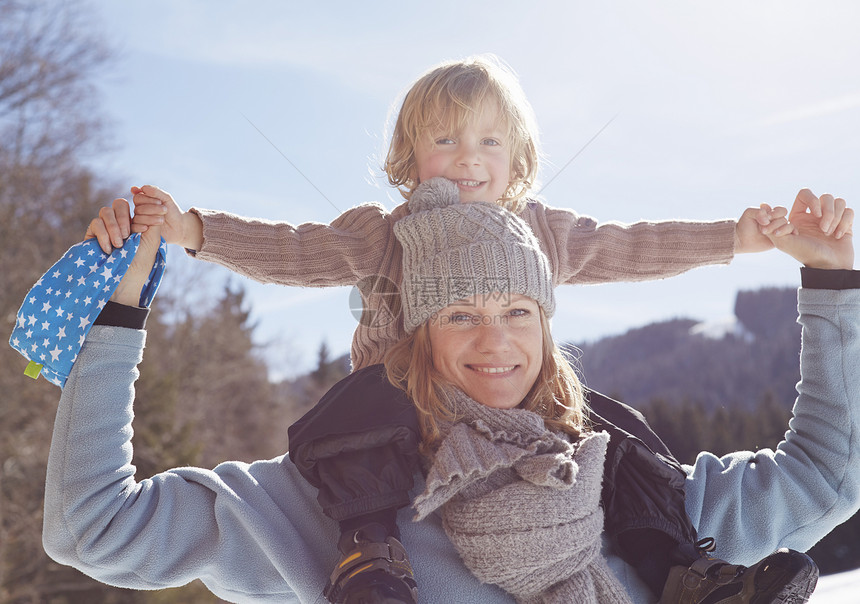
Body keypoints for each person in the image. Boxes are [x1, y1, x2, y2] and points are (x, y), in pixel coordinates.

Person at [88, 55, 850, 602]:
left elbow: (634, 244)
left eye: (489, 142)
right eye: (445, 142)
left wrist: (735, 239)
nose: (469, 159)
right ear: (408, 162)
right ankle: (369, 553)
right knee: (356, 421)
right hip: (397, 404)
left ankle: (683, 567)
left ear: (518, 157)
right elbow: (294, 251)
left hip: (521, 417)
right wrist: (195, 229)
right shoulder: (384, 234)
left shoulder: (541, 232)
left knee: (612, 432)